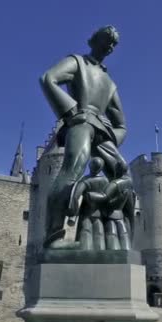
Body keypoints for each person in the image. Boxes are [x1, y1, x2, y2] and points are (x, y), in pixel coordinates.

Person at [40, 25, 128, 248]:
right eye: (106, 40)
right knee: (73, 170)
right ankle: (53, 237)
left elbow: (122, 125)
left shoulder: (109, 82)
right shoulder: (77, 62)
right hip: (81, 121)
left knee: (123, 175)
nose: (110, 46)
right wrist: (72, 113)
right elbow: (48, 78)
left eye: (113, 43)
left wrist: (110, 138)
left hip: (102, 131)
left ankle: (110, 235)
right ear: (93, 41)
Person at [66, 157, 110, 250]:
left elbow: (75, 197)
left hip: (86, 213)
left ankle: (84, 256)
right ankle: (100, 257)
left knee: (85, 234)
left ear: (90, 166)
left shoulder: (86, 180)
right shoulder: (106, 181)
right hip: (100, 214)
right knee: (99, 234)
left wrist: (73, 213)